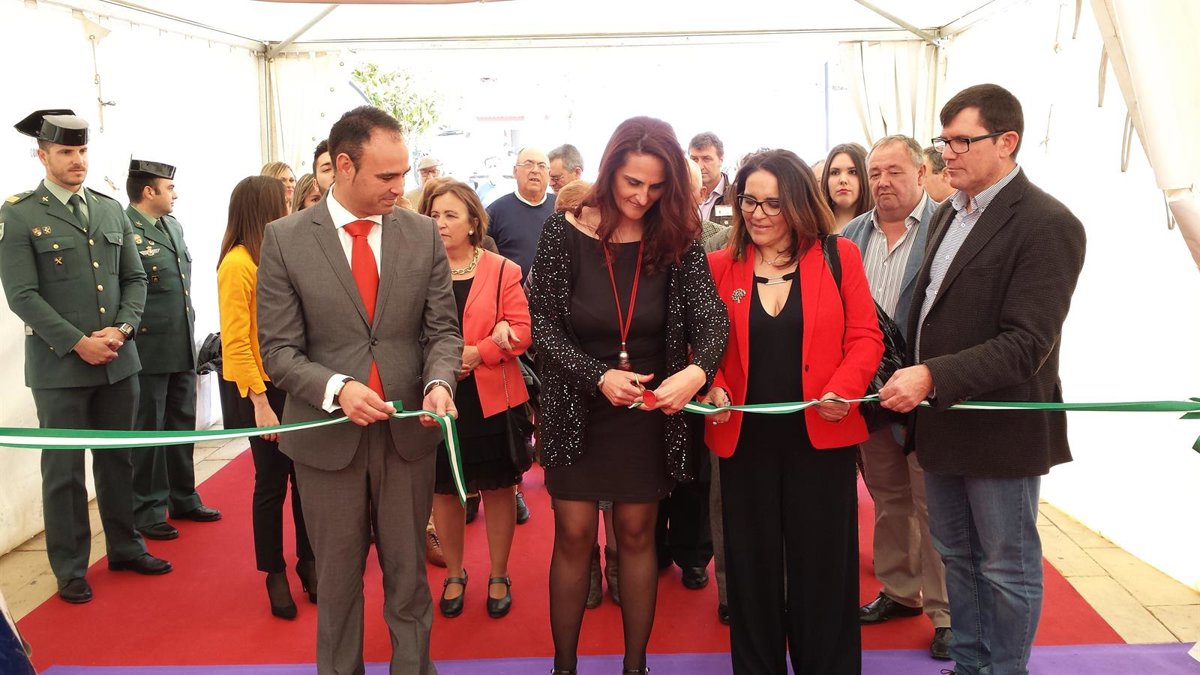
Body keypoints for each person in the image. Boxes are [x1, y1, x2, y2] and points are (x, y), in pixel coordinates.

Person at [879, 83, 1087, 675]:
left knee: (1006, 566)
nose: (947, 153)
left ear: (1007, 141)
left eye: (961, 141)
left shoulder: (1048, 223)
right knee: (957, 557)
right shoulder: (950, 213)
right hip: (942, 423)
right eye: (944, 140)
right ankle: (968, 665)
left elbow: (1028, 344)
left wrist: (930, 375)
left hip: (1000, 429)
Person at [257, 105, 461, 675]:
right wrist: (338, 388)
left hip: (408, 437)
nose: (400, 187)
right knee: (337, 582)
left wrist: (439, 382)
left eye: (403, 174)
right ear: (344, 166)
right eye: (386, 176)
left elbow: (443, 331)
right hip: (326, 440)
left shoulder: (421, 233)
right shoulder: (285, 239)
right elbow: (278, 350)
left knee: (409, 579)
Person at [529, 116, 728, 675]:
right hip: (576, 404)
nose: (643, 197)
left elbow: (712, 320)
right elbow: (543, 326)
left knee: (637, 535)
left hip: (647, 408)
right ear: (610, 169)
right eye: (632, 182)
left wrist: (697, 373)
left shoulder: (678, 237)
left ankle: (636, 666)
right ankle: (563, 667)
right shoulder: (563, 231)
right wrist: (597, 375)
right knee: (572, 535)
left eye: (657, 186)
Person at [703, 149, 883, 674]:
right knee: (750, 567)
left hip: (822, 436)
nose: (757, 213)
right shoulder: (720, 265)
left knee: (823, 565)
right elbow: (702, 347)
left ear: (800, 203)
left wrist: (844, 389)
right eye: (749, 201)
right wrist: (714, 385)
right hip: (745, 440)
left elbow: (865, 336)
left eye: (773, 203)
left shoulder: (838, 256)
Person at [0, 109, 171, 605]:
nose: (77, 160)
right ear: (42, 155)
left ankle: (126, 547)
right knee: (64, 473)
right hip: (59, 370)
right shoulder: (19, 214)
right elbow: (22, 295)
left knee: (119, 462)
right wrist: (80, 342)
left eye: (81, 150)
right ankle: (71, 567)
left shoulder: (109, 208)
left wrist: (121, 330)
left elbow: (135, 279)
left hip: (118, 362)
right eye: (65, 152)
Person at [841, 136, 950, 660]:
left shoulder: (948, 227)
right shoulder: (850, 235)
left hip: (925, 391)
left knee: (933, 503)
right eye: (875, 173)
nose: (882, 182)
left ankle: (947, 613)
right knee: (888, 497)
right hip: (870, 394)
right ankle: (900, 590)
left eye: (895, 171)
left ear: (923, 172)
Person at [421, 179, 531, 620]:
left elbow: (521, 331)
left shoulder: (503, 269)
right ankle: (454, 573)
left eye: (450, 215)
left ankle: (499, 574)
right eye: (433, 215)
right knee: (445, 490)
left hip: (492, 397)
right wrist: (445, 362)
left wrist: (478, 352)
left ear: (472, 222)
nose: (440, 223)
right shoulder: (419, 269)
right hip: (437, 396)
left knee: (498, 488)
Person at [216, 175, 315, 620]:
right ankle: (274, 571)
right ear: (262, 209)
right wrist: (261, 404)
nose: (288, 209)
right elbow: (236, 343)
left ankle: (309, 560)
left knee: (305, 480)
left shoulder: (275, 254)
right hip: (261, 390)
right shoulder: (237, 265)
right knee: (272, 483)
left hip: (293, 383)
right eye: (282, 202)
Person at [125, 159, 221, 542]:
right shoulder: (124, 229)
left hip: (181, 342)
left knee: (181, 425)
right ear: (148, 191)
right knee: (149, 433)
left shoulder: (172, 226)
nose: (175, 194)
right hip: (148, 348)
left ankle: (183, 497)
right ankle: (147, 510)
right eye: (169, 188)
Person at [486, 147, 556, 280]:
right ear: (515, 171)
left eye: (542, 166)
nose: (535, 170)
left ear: (549, 174)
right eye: (528, 164)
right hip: (511, 289)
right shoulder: (495, 211)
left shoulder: (560, 208)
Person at [821, 142, 873, 231]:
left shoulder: (879, 228)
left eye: (853, 172)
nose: (843, 180)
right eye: (835, 172)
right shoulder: (813, 226)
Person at [688, 132, 734, 226]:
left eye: (706, 159)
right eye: (694, 159)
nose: (700, 166)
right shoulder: (680, 195)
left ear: (721, 160)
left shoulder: (735, 197)